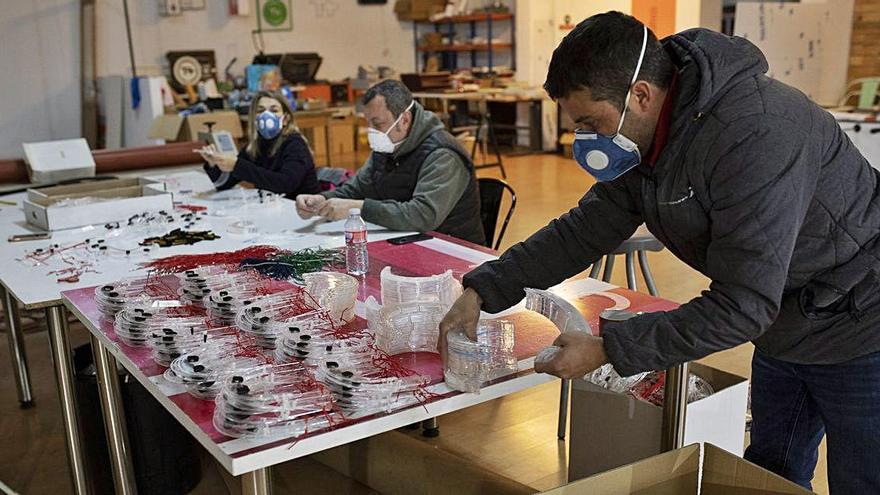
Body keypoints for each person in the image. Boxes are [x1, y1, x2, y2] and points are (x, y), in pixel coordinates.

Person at [438, 12, 880, 493]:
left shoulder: (756, 133)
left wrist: (609, 349)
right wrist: (482, 289)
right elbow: (584, 229)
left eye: (589, 121)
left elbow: (742, 305)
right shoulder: (649, 137)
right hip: (788, 322)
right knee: (769, 473)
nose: (583, 138)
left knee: (862, 479)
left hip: (862, 322)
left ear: (641, 96)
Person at [295, 80, 486, 246]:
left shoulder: (443, 155)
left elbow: (422, 215)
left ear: (404, 119)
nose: (371, 131)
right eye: (368, 123)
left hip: (451, 249)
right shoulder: (388, 146)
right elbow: (357, 189)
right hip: (407, 240)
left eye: (377, 124)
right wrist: (322, 201)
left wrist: (359, 208)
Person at [198, 90, 320, 198]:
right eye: (260, 110)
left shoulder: (295, 144)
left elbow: (285, 184)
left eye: (274, 110)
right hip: (276, 210)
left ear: (285, 119)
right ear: (254, 118)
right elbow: (223, 184)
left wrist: (237, 165)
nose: (267, 116)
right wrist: (214, 164)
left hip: (304, 211)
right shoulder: (254, 148)